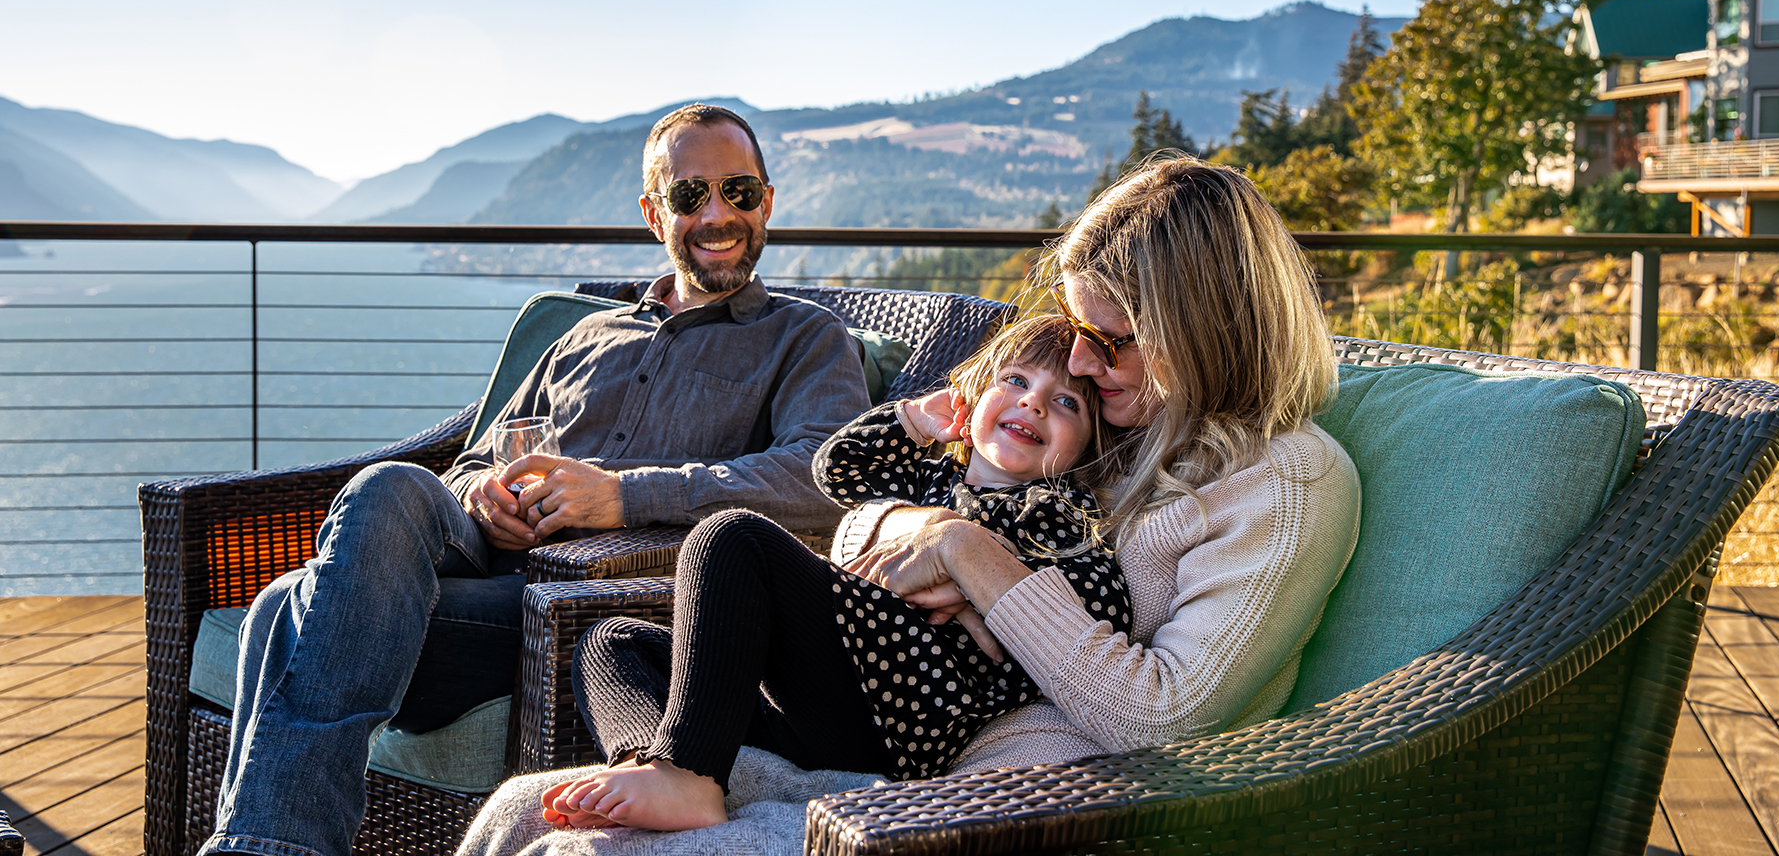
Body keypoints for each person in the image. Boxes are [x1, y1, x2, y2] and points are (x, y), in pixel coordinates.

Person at [455, 154, 1361, 856]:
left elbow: (1156, 719)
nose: (1078, 367)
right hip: (897, 720)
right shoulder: (1138, 424)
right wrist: (918, 529)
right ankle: (671, 771)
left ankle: (686, 778)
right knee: (548, 764)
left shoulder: (1284, 486)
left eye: (1109, 342)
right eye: (1078, 336)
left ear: (1201, 333)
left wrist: (970, 556)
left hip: (1009, 792)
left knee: (576, 839)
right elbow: (855, 518)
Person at [199, 103, 872, 856]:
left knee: (286, 607)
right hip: (480, 555)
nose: (718, 214)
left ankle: (264, 847)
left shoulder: (804, 337)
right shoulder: (585, 335)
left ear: (767, 202)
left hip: (565, 602)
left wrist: (622, 493)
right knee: (388, 484)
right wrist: (478, 496)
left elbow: (823, 478)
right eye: (691, 195)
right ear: (656, 214)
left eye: (739, 191)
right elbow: (473, 462)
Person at [538, 314, 1130, 832]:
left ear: (1088, 444)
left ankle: (687, 773)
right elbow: (837, 472)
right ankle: (651, 762)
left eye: (1066, 402)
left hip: (908, 719)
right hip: (827, 702)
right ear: (974, 396)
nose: (1032, 403)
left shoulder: (1056, 515)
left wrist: (986, 591)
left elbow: (1100, 606)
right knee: (612, 642)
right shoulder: (924, 478)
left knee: (733, 536)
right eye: (1017, 381)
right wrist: (914, 421)